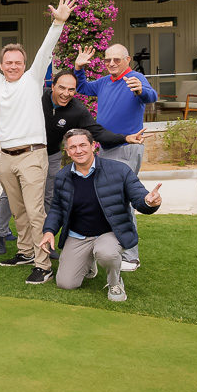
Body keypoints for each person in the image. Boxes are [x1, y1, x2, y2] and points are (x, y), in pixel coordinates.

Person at [0, 0, 78, 285]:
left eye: (18, 62)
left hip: (33, 155)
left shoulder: (33, 80)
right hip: (6, 157)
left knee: (35, 213)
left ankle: (43, 266)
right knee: (18, 211)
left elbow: (47, 49)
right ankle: (25, 252)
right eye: (8, 62)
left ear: (25, 64)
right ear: (2, 64)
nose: (13, 66)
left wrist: (58, 22)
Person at [0, 69, 147, 254]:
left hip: (50, 155)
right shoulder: (36, 96)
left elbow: (97, 132)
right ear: (52, 86)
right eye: (62, 88)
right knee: (10, 194)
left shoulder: (77, 110)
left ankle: (45, 239)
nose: (66, 93)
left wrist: (126, 138)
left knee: (49, 198)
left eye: (72, 89)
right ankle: (0, 233)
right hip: (26, 154)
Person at [40, 129, 162, 302]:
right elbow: (57, 208)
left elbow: (138, 196)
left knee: (106, 253)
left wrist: (149, 202)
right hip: (78, 235)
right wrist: (49, 230)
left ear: (93, 146)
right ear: (67, 151)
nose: (78, 150)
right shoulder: (62, 176)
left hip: (109, 233)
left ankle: (115, 282)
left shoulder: (119, 170)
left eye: (83, 145)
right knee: (66, 283)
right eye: (72, 147)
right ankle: (89, 265)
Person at [73, 44, 158, 272]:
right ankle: (107, 248)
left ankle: (131, 256)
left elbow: (152, 96)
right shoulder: (104, 82)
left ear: (127, 59)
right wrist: (79, 67)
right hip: (106, 148)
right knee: (105, 198)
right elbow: (81, 87)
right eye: (108, 59)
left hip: (127, 148)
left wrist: (141, 90)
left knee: (121, 199)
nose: (111, 63)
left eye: (116, 60)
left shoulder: (135, 78)